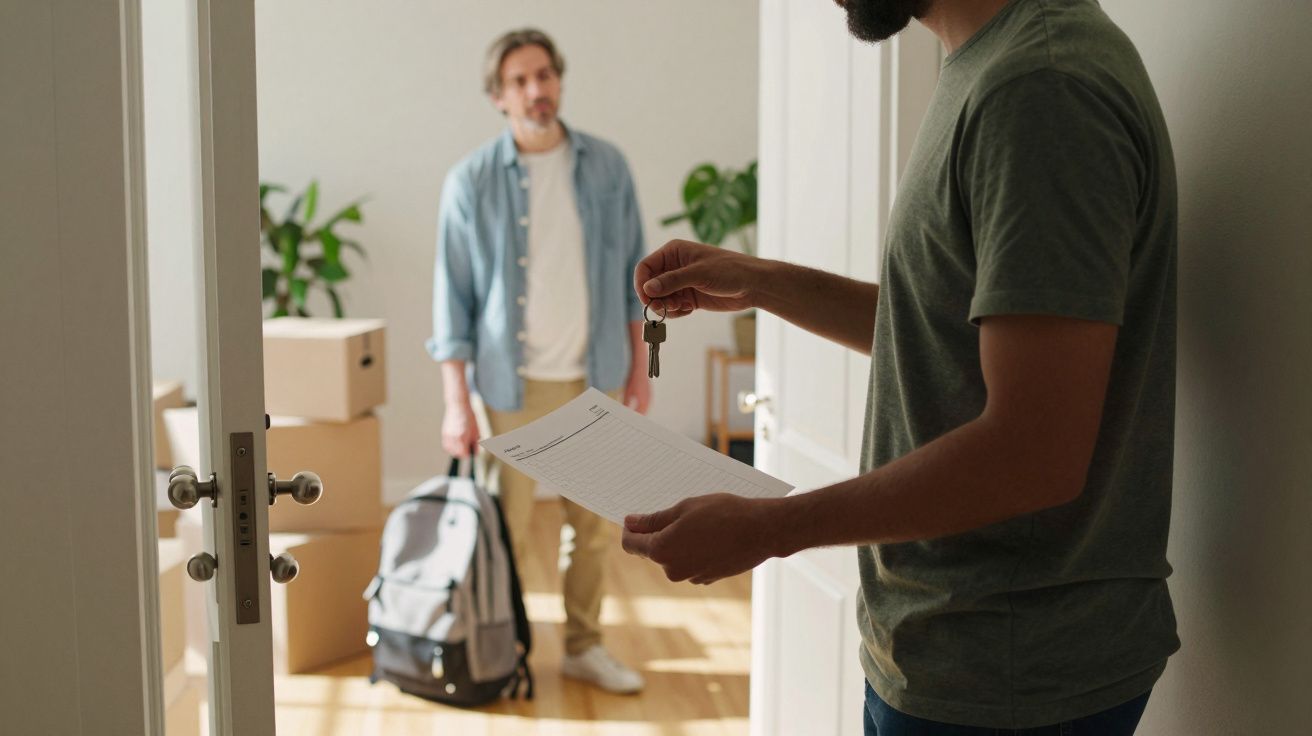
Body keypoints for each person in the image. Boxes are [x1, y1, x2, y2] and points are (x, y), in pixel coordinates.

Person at [622, 0, 1178, 732]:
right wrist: (757, 281)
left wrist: (769, 528)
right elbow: (942, 331)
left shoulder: (1039, 87)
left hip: (1005, 677)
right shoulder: (989, 63)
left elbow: (1035, 452)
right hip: (952, 652)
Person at [427, 28, 649, 695]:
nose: (536, 90)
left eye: (545, 75)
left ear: (559, 80)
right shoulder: (470, 181)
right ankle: (505, 652)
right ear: (498, 96)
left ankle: (584, 646)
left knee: (594, 529)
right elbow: (452, 302)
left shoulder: (607, 167)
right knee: (507, 534)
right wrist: (456, 403)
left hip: (596, 375)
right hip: (509, 387)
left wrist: (641, 369)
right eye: (520, 80)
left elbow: (635, 280)